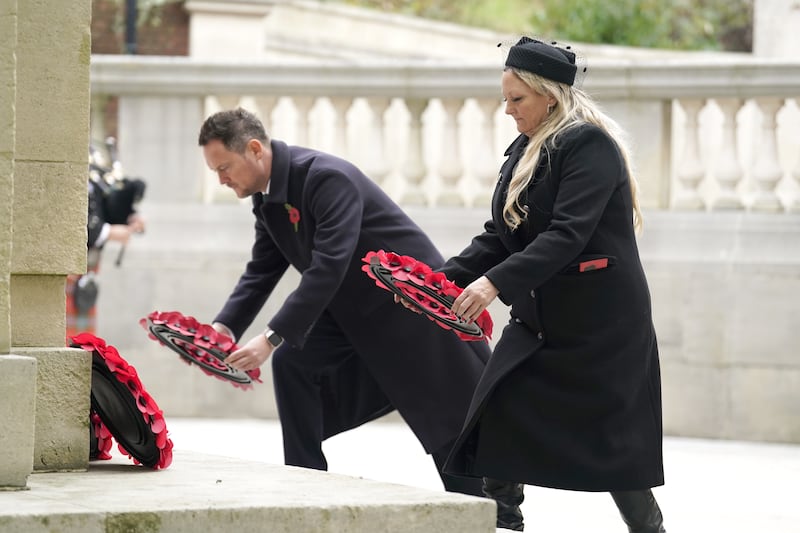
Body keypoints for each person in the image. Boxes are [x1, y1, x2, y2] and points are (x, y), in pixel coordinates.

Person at [197, 108, 491, 498]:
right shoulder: (268, 200)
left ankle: (493, 511)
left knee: (450, 433)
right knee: (293, 364)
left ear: (254, 149)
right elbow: (261, 271)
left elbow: (328, 266)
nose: (221, 179)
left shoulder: (325, 177)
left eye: (224, 167)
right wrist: (223, 328)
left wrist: (269, 337)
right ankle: (306, 488)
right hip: (352, 313)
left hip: (410, 310)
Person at [438, 37, 667, 532]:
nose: (508, 110)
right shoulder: (524, 147)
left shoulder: (588, 144)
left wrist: (492, 285)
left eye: (516, 99)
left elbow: (568, 234)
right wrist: (438, 279)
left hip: (602, 325)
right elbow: (502, 234)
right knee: (496, 410)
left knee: (613, 445)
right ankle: (504, 522)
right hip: (542, 318)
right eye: (505, 99)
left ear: (551, 96)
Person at [66, 143, 145, 342]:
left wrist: (130, 217)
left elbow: (105, 203)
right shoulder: (68, 158)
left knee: (82, 341)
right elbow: (71, 217)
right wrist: (109, 232)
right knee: (64, 340)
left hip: (87, 270)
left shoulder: (94, 158)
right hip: (68, 267)